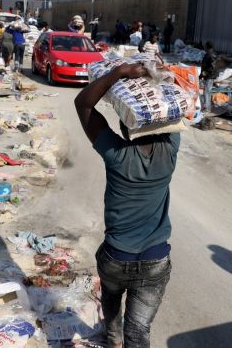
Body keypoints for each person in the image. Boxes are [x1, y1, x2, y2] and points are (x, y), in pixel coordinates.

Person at [74, 62, 180, 348]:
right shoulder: (170, 151)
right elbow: (173, 107)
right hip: (155, 260)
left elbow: (83, 104)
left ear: (124, 123)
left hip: (115, 258)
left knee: (111, 300)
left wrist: (119, 73)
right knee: (139, 331)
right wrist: (161, 75)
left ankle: (113, 339)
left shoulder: (116, 154)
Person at [200, 41, 218, 113]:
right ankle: (206, 107)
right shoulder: (210, 54)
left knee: (207, 92)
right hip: (208, 76)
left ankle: (207, 108)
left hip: (209, 77)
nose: (204, 47)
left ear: (207, 46)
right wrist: (201, 75)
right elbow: (205, 66)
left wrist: (206, 73)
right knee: (206, 92)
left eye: (205, 46)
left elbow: (212, 67)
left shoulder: (211, 55)